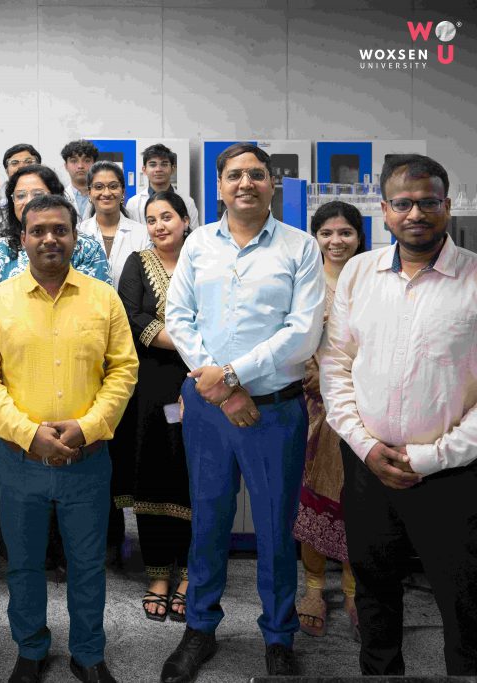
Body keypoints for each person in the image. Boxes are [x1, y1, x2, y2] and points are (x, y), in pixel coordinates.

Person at [161, 142, 324, 682]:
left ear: (272, 182)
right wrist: (221, 388)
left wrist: (232, 376)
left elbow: (302, 332)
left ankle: (278, 636)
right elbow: (179, 317)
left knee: (276, 528)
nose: (246, 183)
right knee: (208, 519)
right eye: (234, 175)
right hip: (208, 410)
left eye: (256, 174)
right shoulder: (198, 244)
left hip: (274, 411)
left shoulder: (300, 247)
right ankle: (200, 628)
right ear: (220, 185)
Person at [0, 194, 138, 683]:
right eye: (38, 230)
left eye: (59, 230)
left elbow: (123, 369)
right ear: (22, 239)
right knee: (23, 566)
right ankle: (30, 649)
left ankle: (88, 654)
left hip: (88, 460)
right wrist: (27, 433)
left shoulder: (103, 299)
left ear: (74, 237)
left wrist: (88, 426)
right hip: (21, 462)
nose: (49, 239)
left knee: (88, 565)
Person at [319, 154, 477, 676]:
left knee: (464, 599)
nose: (415, 214)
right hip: (369, 468)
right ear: (384, 210)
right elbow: (337, 365)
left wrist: (431, 457)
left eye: (428, 202)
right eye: (403, 203)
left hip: (453, 475)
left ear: (446, 206)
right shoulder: (360, 273)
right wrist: (365, 446)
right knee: (374, 591)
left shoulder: (474, 277)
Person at [114, 191, 192, 623]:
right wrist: (185, 340)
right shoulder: (137, 263)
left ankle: (192, 574)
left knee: (195, 474)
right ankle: (159, 573)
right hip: (150, 383)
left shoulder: (203, 260)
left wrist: (194, 351)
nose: (159, 225)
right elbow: (132, 315)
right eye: (151, 219)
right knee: (154, 470)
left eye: (167, 217)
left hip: (200, 379)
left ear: (185, 220)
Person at [291, 201, 367, 640]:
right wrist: (313, 375)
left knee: (360, 498)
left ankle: (356, 591)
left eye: (345, 233)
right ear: (315, 237)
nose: (336, 241)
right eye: (327, 233)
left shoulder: (371, 278)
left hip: (364, 405)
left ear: (359, 236)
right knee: (313, 495)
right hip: (312, 405)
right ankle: (314, 588)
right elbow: (291, 336)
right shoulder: (306, 280)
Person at [0, 164, 111, 288]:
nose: (29, 201)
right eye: (20, 196)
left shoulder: (88, 249)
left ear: (56, 197)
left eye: (38, 194)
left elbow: (97, 297)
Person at [79, 160, 151, 287]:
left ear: (123, 191)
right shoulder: (78, 233)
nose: (106, 193)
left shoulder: (143, 234)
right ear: (89, 193)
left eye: (113, 186)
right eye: (99, 187)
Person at [125, 144, 199, 231]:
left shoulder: (187, 202)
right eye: (153, 165)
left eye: (164, 164)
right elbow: (132, 235)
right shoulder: (134, 204)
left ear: (173, 169)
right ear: (144, 170)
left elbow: (194, 234)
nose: (158, 169)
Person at [60, 139, 98, 222]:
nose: (80, 166)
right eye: (74, 161)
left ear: (94, 165)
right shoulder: (59, 197)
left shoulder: (103, 196)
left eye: (87, 161)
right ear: (66, 166)